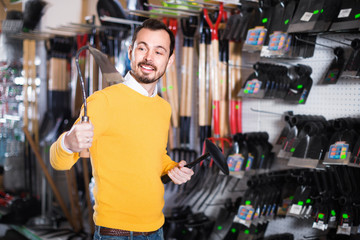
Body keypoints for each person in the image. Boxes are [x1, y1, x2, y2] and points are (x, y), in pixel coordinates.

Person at [50, 18, 194, 240]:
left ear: (170, 60)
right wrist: (68, 142)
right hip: (116, 233)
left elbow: (155, 156)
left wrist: (172, 168)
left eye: (159, 51)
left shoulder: (162, 108)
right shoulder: (103, 102)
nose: (148, 58)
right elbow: (58, 161)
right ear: (130, 52)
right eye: (142, 48)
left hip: (156, 230)